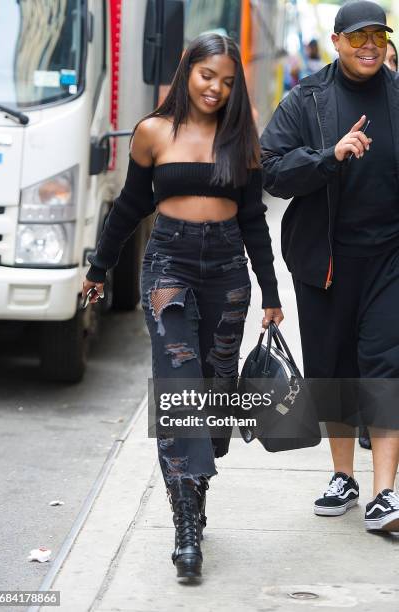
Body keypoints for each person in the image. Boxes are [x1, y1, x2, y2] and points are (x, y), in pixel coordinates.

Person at [82, 33, 283, 579]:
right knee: (179, 387)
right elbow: (128, 207)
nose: (215, 88)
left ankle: (195, 485)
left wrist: (271, 291)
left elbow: (252, 223)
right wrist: (99, 267)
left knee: (214, 396)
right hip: (168, 265)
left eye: (226, 80)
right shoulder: (152, 133)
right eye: (205, 75)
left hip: (226, 269)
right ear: (186, 71)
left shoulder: (242, 138)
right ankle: (187, 524)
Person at [260, 0, 399, 532]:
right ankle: (344, 476)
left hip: (390, 257)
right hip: (327, 259)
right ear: (337, 41)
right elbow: (271, 170)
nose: (369, 46)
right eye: (358, 36)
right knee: (334, 366)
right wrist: (329, 156)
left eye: (378, 37)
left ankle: (386, 492)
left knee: (387, 365)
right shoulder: (307, 100)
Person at [359, 35, 398, 452]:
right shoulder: (322, 102)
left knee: (386, 352)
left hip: (391, 253)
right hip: (346, 256)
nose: (383, 67)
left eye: (392, 61)